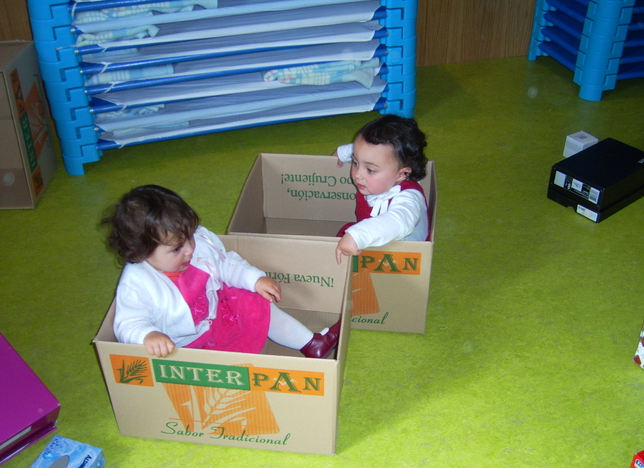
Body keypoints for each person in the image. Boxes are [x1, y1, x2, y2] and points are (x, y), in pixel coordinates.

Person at [102, 185, 339, 358]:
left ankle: (311, 343)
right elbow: (128, 322)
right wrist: (148, 335)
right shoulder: (137, 282)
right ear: (140, 252)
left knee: (257, 302)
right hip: (185, 347)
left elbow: (225, 263)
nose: (189, 251)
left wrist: (254, 279)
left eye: (189, 238)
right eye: (176, 249)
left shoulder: (195, 243)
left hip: (219, 315)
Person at [334, 114, 430, 264]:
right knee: (342, 239)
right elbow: (363, 150)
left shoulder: (409, 198)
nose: (358, 174)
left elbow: (399, 221)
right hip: (372, 233)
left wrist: (357, 236)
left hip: (399, 254)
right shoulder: (382, 167)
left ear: (402, 174)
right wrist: (343, 152)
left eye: (370, 170)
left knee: (349, 240)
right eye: (355, 162)